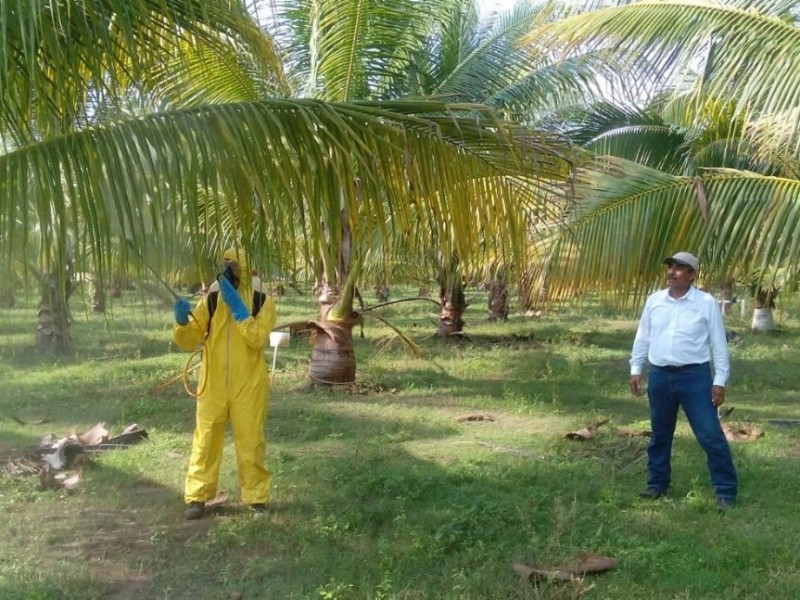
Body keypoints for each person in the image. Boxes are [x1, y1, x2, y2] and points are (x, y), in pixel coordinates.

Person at [629, 251, 738, 512]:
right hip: (660, 376)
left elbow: (717, 343)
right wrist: (636, 368)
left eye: (679, 268)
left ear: (692, 274)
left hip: (695, 378)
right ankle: (657, 484)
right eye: (670, 267)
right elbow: (643, 336)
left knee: (710, 434)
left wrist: (720, 380)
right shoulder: (655, 301)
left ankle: (726, 492)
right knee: (660, 434)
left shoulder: (705, 303)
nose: (672, 272)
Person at [172, 248, 276, 520]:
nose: (229, 269)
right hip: (213, 382)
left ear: (248, 267)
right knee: (206, 440)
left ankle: (256, 499)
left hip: (249, 384)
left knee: (251, 440)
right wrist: (182, 322)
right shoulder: (213, 296)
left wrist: (241, 312)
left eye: (234, 264)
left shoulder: (262, 299)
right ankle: (197, 497)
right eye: (227, 264)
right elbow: (190, 339)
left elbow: (257, 339)